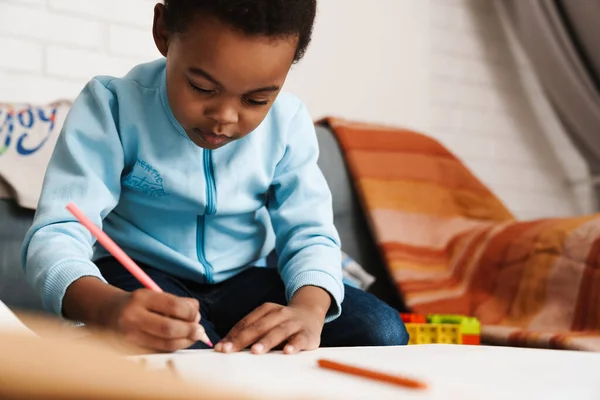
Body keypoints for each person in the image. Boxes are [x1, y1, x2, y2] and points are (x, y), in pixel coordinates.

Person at [22, 0, 408, 354]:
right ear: (163, 33)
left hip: (245, 279)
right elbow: (57, 235)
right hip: (137, 277)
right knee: (184, 356)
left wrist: (307, 310)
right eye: (202, 87)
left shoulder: (288, 124)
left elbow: (310, 232)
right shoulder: (112, 106)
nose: (224, 117)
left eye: (257, 100)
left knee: (383, 330)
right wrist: (106, 308)